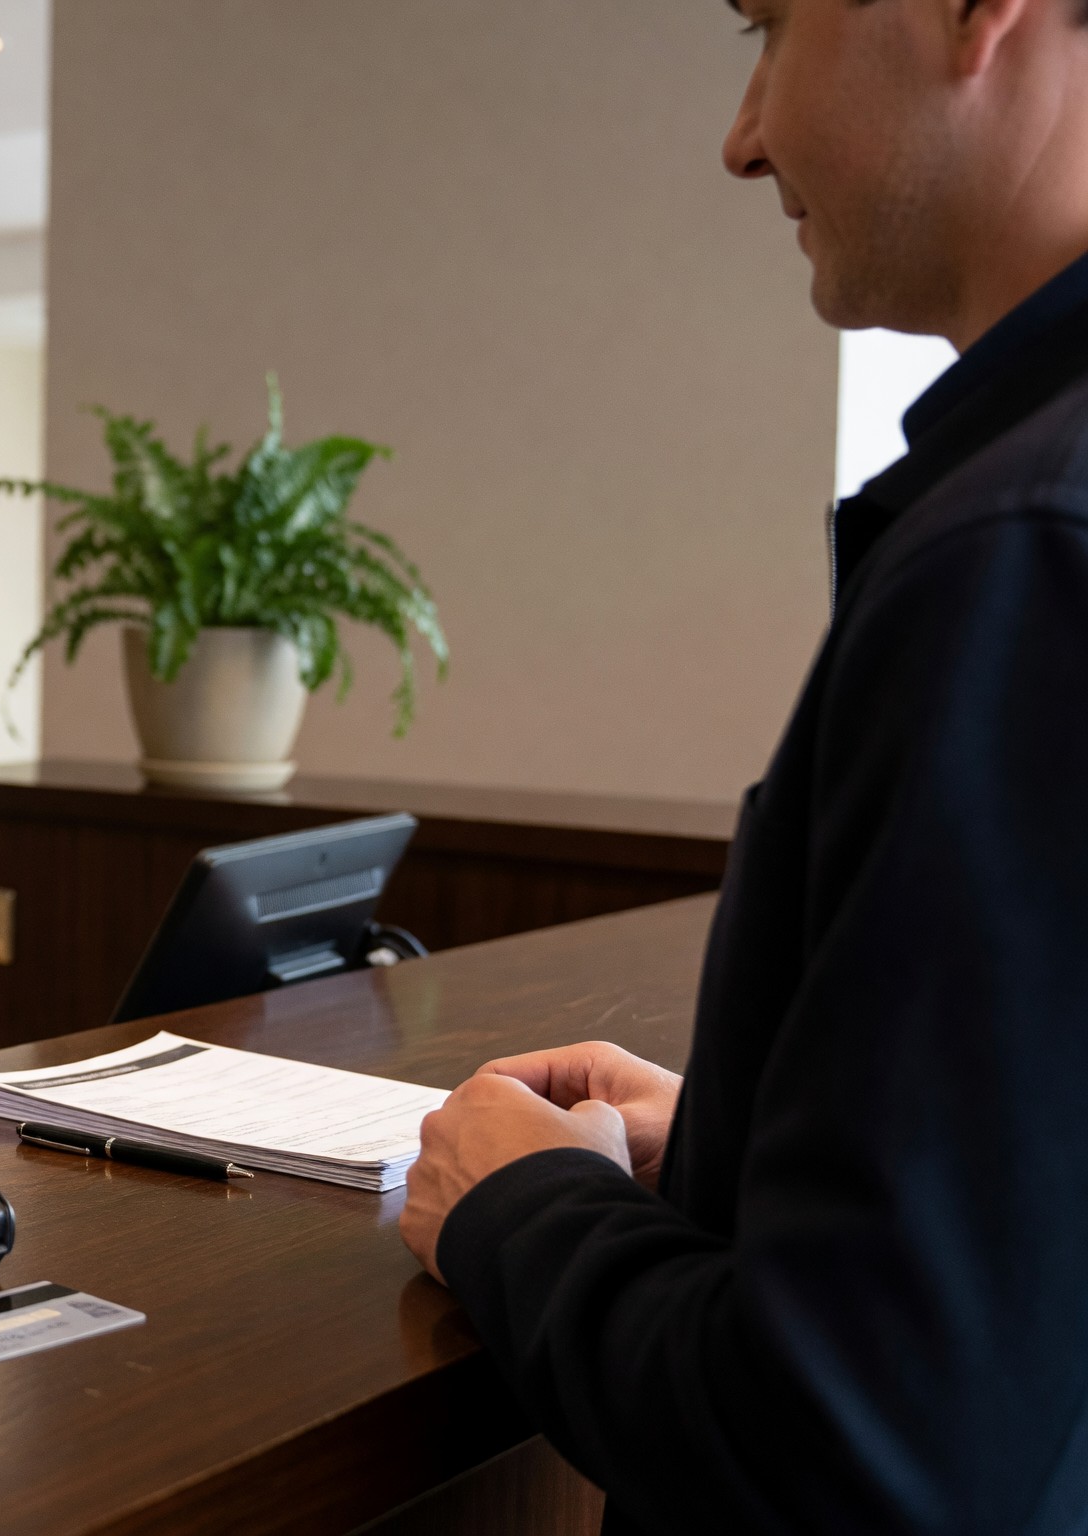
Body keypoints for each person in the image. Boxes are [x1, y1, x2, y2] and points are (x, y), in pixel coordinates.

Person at [397, 0, 1088, 1527]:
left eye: (770, 29)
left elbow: (861, 1443)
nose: (743, 133)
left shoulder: (1027, 557)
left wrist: (522, 1210)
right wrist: (749, 1137)